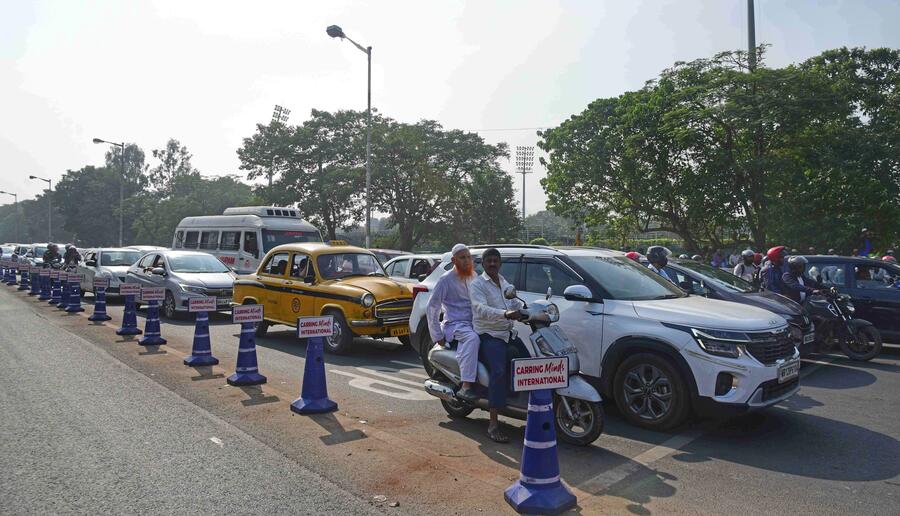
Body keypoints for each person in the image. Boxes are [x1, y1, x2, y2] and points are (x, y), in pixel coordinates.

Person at [469, 248, 528, 443]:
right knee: (499, 371)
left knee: (530, 365)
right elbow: (480, 308)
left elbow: (515, 304)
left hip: (507, 333)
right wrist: (505, 314)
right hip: (489, 334)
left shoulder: (505, 283)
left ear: (500, 263)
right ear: (483, 263)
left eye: (496, 261)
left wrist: (530, 310)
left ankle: (529, 407)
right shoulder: (477, 284)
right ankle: (493, 424)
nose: (492, 264)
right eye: (489, 261)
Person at [426, 244, 480, 401]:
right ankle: (466, 386)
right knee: (472, 339)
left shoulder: (474, 276)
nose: (466, 261)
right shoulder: (446, 279)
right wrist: (437, 335)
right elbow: (432, 307)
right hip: (456, 324)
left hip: (475, 322)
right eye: (462, 258)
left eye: (469, 257)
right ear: (453, 260)